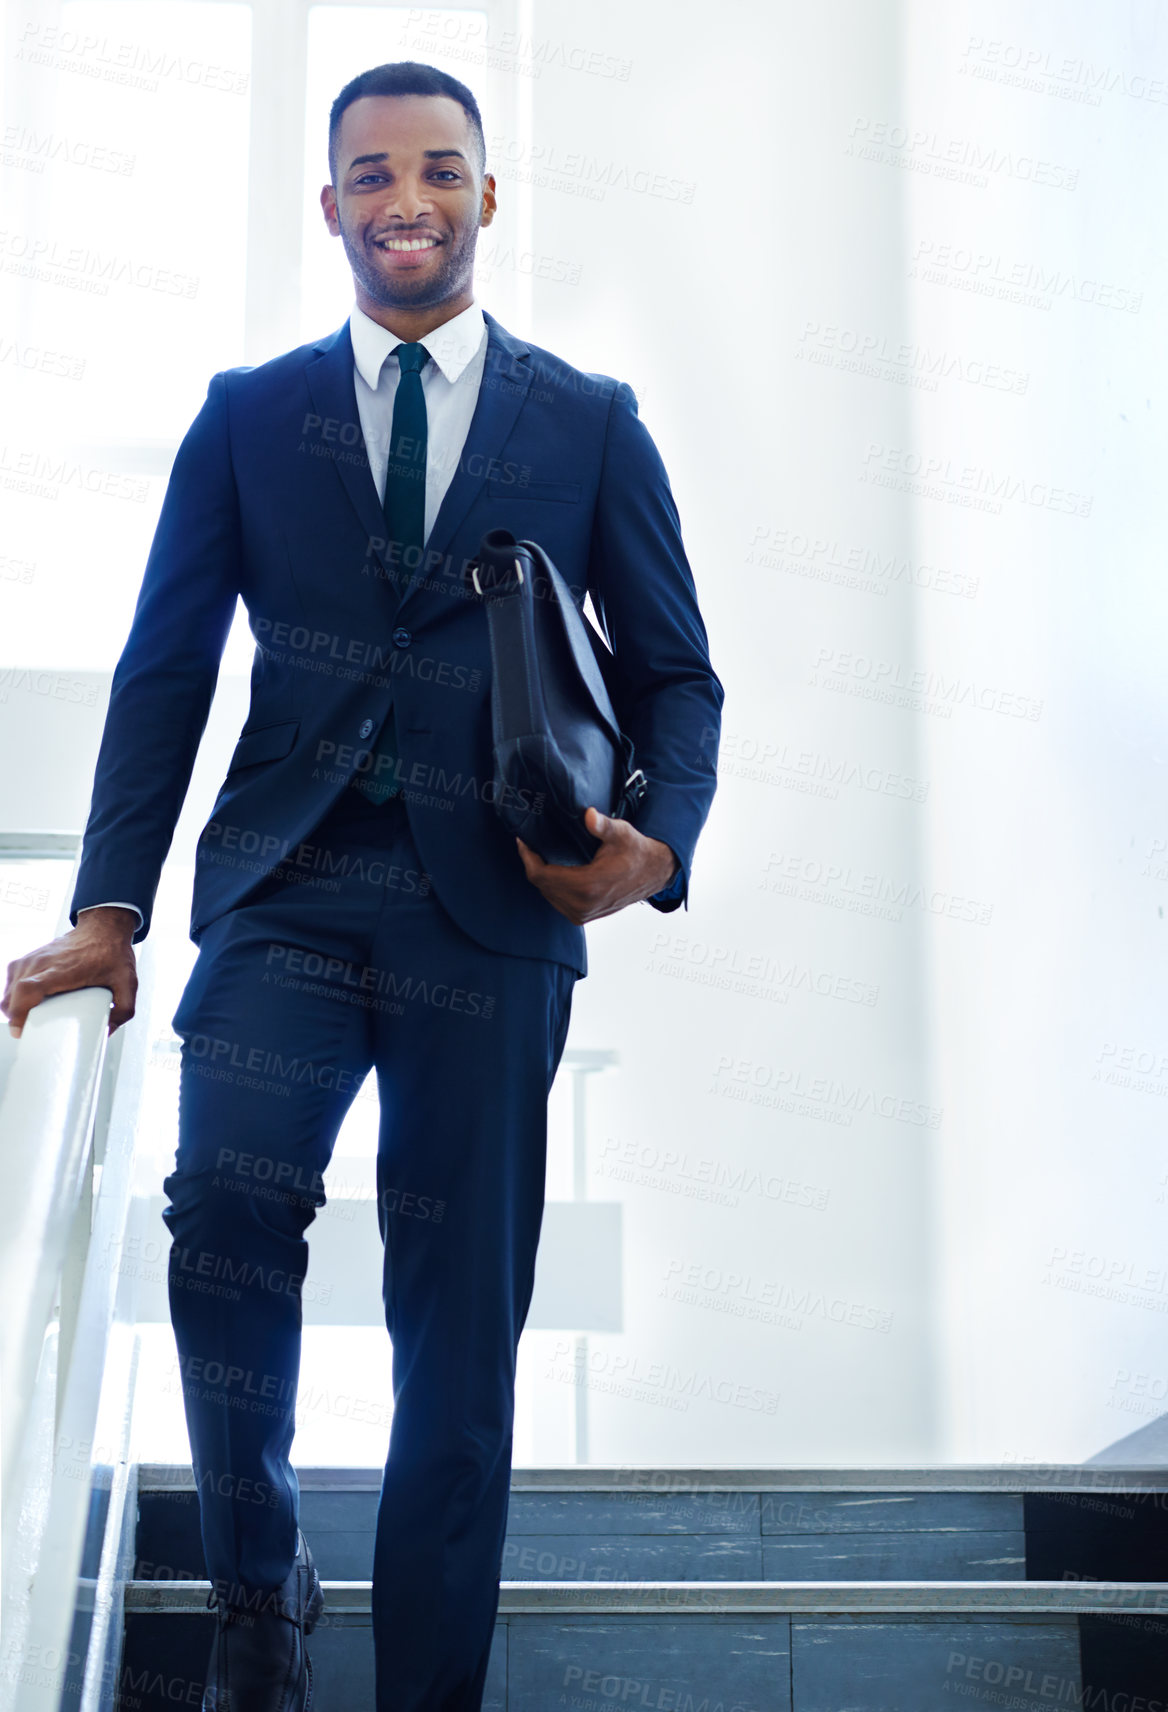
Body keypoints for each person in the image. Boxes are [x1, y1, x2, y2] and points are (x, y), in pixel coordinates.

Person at [1, 60, 722, 1712]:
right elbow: (164, 668)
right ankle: (260, 1592)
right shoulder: (250, 416)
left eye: (442, 170)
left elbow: (680, 678)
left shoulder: (588, 419)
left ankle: (429, 1694)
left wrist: (656, 845)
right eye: (375, 174)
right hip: (290, 890)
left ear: (487, 194)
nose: (409, 198)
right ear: (330, 206)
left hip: (502, 908)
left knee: (455, 1323)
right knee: (227, 1211)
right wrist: (113, 903)